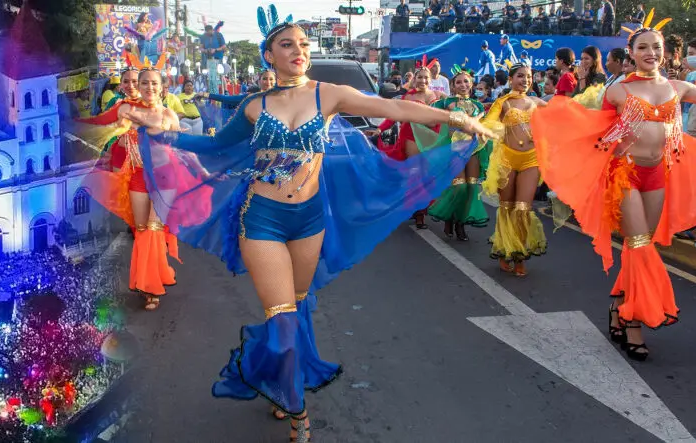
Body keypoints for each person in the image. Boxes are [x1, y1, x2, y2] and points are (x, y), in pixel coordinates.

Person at [122, 6, 491, 440]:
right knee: (280, 318)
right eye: (287, 44)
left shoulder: (329, 94)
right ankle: (297, 406)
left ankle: (285, 378)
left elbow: (392, 106)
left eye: (303, 44)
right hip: (262, 218)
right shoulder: (253, 106)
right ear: (268, 55)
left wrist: (455, 118)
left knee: (296, 310)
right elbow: (212, 144)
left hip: (310, 219)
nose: (299, 51)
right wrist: (160, 133)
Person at [531, 13, 696, 361]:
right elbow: (598, 128)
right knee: (637, 243)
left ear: (665, 52)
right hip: (624, 175)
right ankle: (632, 320)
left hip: (659, 174)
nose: (651, 52)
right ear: (632, 53)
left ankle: (617, 305)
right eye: (643, 47)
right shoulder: (618, 89)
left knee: (644, 246)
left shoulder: (678, 88)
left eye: (657, 47)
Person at [80, 55, 213, 310]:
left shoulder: (169, 115)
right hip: (139, 176)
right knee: (141, 230)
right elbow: (109, 130)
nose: (149, 88)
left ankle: (151, 288)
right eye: (144, 84)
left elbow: (184, 150)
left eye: (154, 83)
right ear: (137, 87)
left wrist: (202, 171)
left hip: (166, 178)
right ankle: (148, 279)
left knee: (153, 228)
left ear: (162, 87)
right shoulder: (129, 112)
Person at [481, 62, 548, 277]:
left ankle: (519, 255)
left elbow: (564, 116)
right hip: (507, 160)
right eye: (520, 76)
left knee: (522, 208)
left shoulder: (538, 102)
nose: (525, 80)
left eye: (529, 77)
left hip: (531, 160)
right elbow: (488, 124)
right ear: (511, 79)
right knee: (507, 207)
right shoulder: (502, 103)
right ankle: (504, 250)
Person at [424, 66, 489, 241]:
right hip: (454, 150)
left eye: (465, 81)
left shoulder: (478, 105)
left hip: (474, 149)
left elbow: (482, 123)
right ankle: (449, 218)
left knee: (470, 188)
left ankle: (461, 223)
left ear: (471, 84)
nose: (462, 84)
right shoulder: (447, 102)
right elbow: (429, 115)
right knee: (458, 187)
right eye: (458, 82)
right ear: (452, 86)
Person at [200, 23, 227, 95]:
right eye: (207, 33)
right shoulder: (203, 37)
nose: (209, 34)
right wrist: (205, 50)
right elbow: (201, 48)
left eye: (210, 32)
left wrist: (216, 50)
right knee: (210, 77)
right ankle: (211, 92)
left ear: (212, 30)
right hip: (208, 59)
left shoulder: (218, 35)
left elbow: (224, 46)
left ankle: (225, 91)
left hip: (218, 58)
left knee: (220, 75)